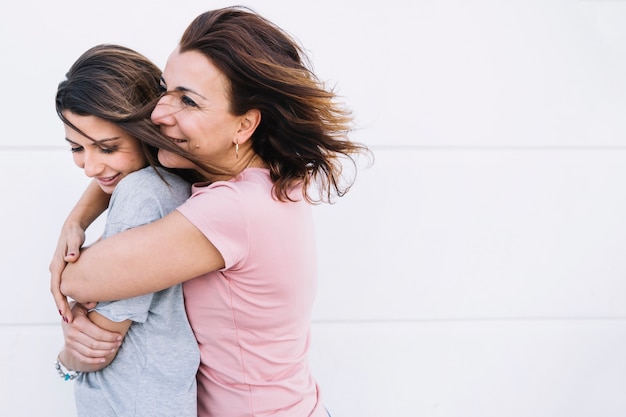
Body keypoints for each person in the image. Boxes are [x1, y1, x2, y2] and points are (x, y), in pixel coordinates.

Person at [51, 6, 371, 417]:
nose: (158, 112)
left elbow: (81, 277)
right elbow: (131, 165)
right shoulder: (270, 180)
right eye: (165, 89)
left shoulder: (232, 211)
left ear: (243, 127)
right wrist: (76, 219)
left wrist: (68, 303)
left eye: (188, 100)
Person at [54, 44, 200, 417]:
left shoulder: (142, 194)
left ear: (146, 128)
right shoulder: (166, 183)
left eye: (106, 147)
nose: (90, 166)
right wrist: (75, 222)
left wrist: (66, 359)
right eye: (77, 148)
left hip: (131, 402)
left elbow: (100, 344)